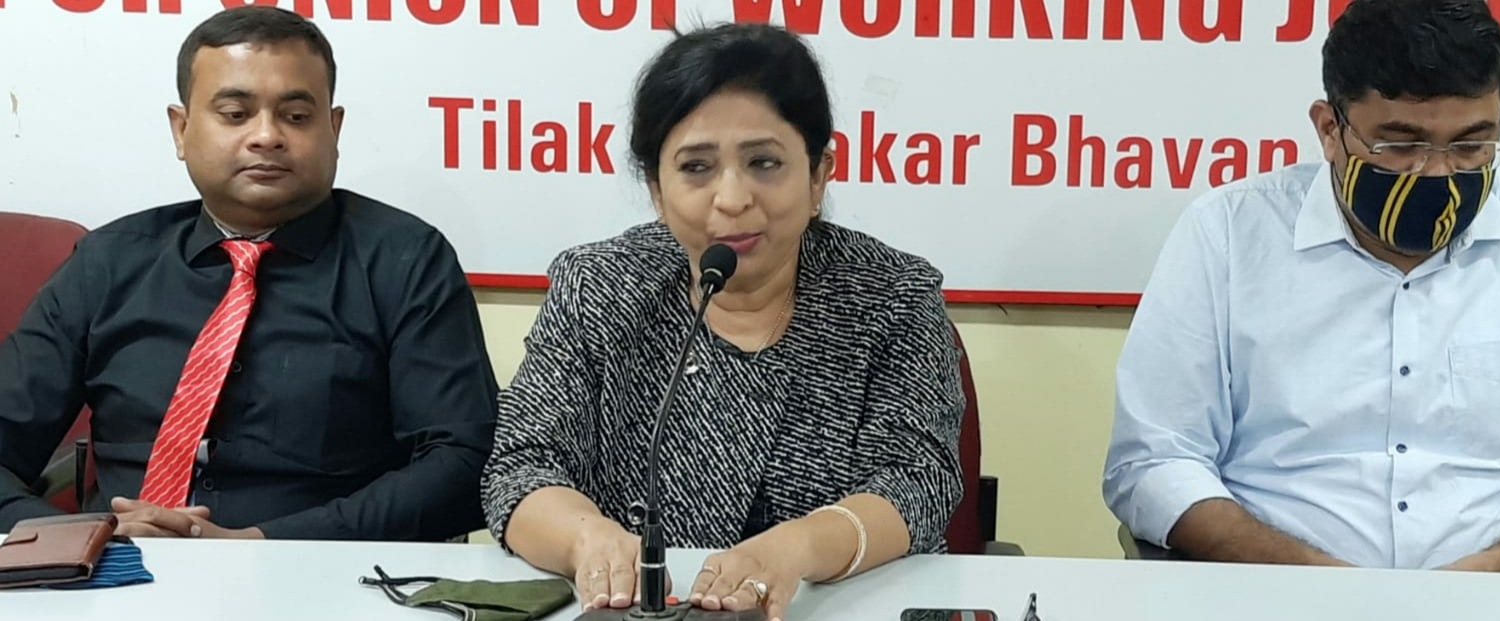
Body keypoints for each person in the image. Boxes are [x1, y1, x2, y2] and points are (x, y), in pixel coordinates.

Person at [481, 21, 965, 620]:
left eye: (764, 162)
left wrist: (798, 548)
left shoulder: (892, 295)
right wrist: (588, 541)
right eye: (696, 167)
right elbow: (520, 467)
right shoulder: (598, 287)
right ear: (656, 189)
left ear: (819, 173)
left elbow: (918, 481)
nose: (732, 198)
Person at [1103, 0, 1500, 572]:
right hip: (1270, 594)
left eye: (1470, 146)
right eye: (1401, 145)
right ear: (1329, 129)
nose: (1437, 171)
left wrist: (1483, 579)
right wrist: (1320, 584)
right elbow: (1154, 461)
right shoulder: (1229, 234)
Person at [0, 5, 499, 541]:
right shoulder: (106, 262)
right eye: (236, 114)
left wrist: (261, 546)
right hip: (113, 566)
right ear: (182, 129)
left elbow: (467, 462)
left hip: (323, 571)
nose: (266, 136)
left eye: (296, 116)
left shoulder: (405, 261)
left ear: (334, 129)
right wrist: (81, 537)